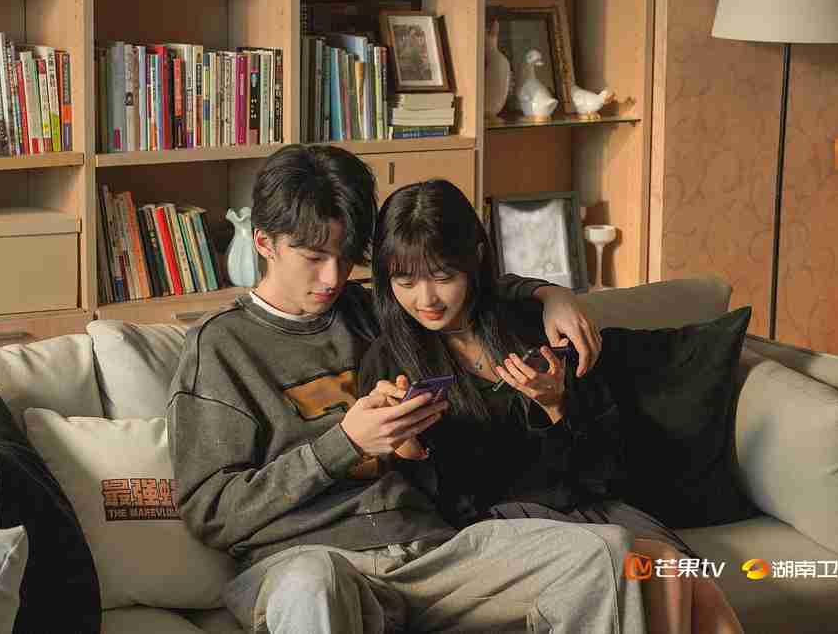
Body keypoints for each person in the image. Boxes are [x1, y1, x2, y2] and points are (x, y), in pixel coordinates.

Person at [166, 144, 648, 634]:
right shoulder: (221, 345)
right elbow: (211, 512)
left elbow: (454, 279)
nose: (332, 278)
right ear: (264, 242)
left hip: (428, 553)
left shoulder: (370, 309)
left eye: (345, 257)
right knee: (314, 582)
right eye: (313, 257)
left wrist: (549, 295)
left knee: (604, 553)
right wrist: (344, 444)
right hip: (309, 562)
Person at [359, 180, 745, 634]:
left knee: (680, 576)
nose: (425, 299)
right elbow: (424, 512)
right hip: (499, 521)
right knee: (657, 570)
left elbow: (606, 461)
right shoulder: (388, 362)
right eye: (405, 282)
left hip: (584, 500)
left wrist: (555, 405)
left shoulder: (532, 323)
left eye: (443, 277)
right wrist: (407, 446)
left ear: (475, 259)